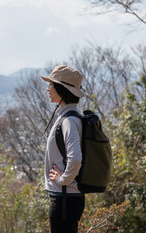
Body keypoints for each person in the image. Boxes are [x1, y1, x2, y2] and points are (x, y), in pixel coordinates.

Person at [40, 65, 87, 233]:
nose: (48, 88)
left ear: (61, 89)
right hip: (68, 198)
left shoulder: (68, 121)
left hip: (65, 198)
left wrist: (62, 180)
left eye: (51, 84)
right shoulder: (72, 117)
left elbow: (75, 158)